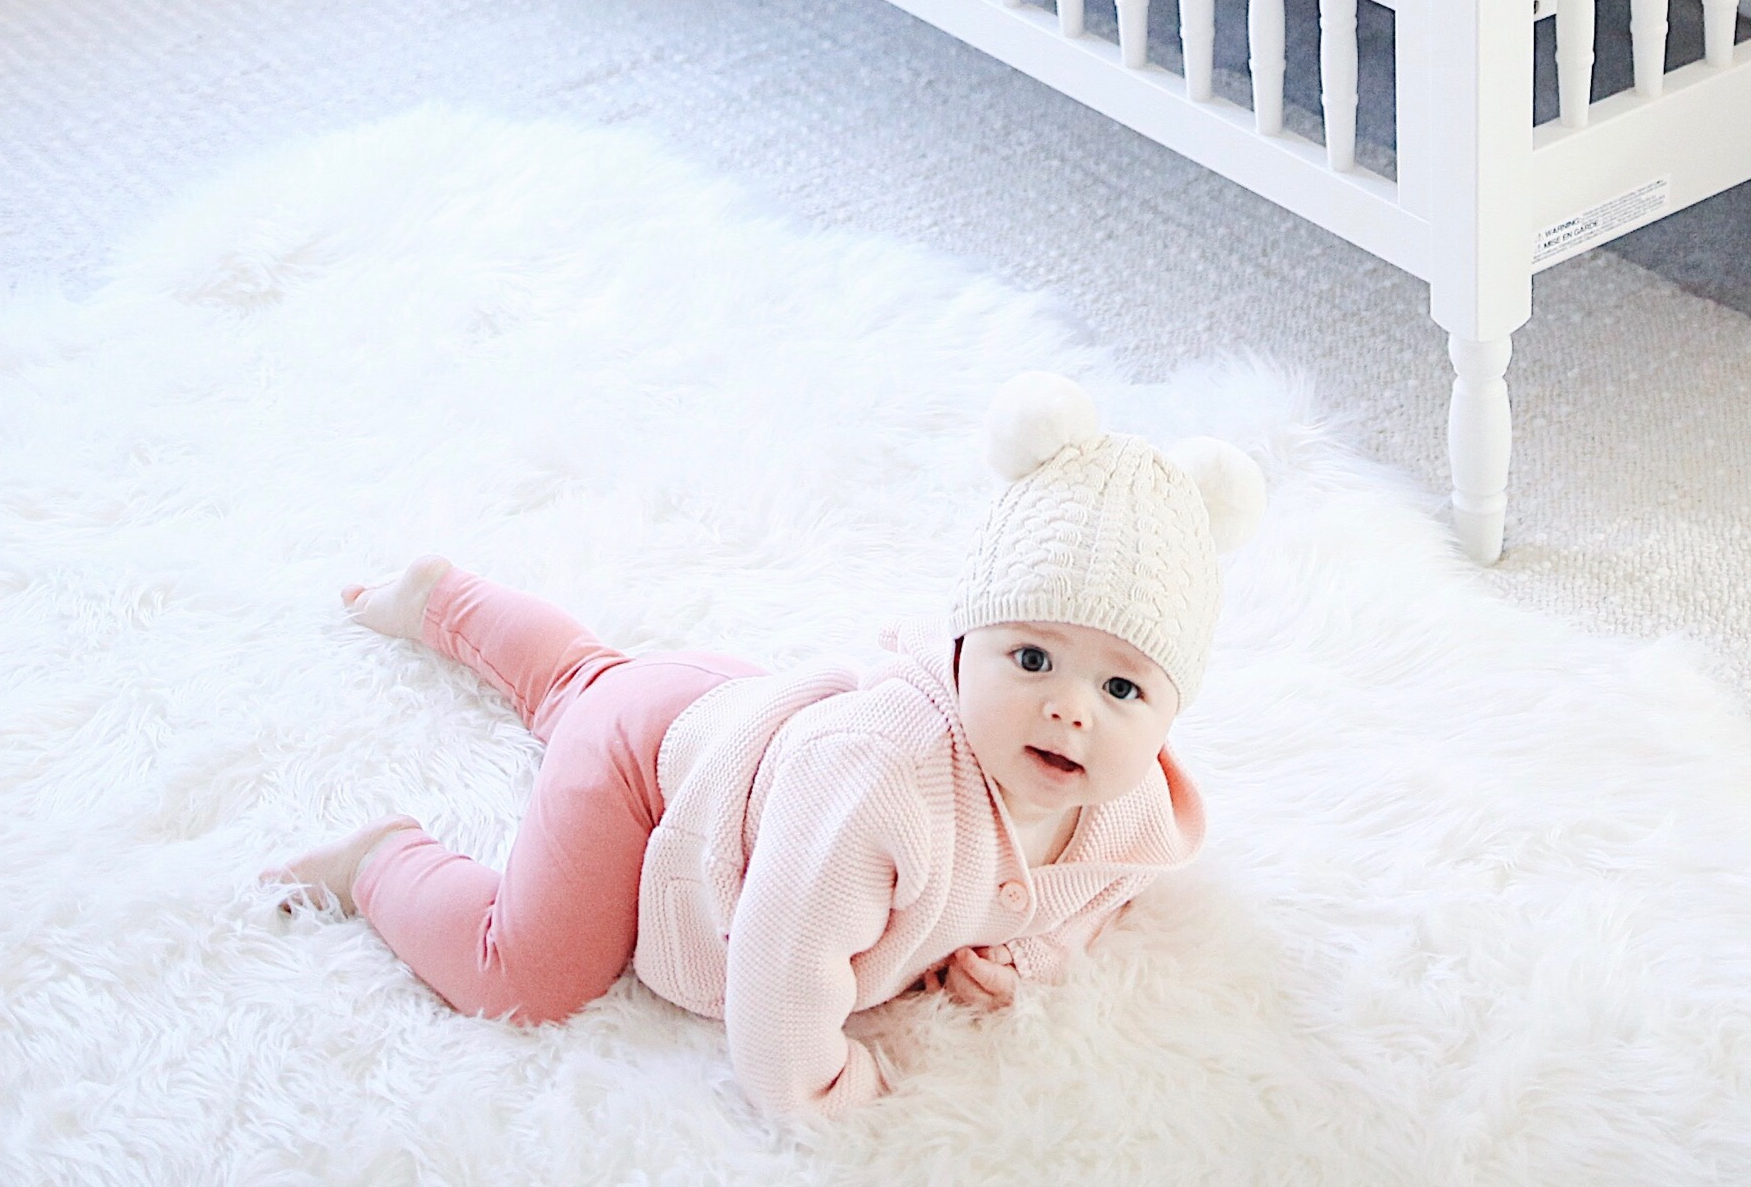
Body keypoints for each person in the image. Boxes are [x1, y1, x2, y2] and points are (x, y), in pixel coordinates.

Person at [265, 373, 1264, 1115]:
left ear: (1170, 712)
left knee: (591, 686)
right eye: (1032, 657)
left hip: (727, 718)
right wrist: (823, 1087)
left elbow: (1103, 886)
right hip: (649, 775)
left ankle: (448, 597)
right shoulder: (882, 783)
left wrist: (1038, 944)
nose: (1071, 710)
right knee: (528, 975)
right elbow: (779, 976)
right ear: (963, 648)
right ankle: (381, 860)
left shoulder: (1131, 806)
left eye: (1122, 685)